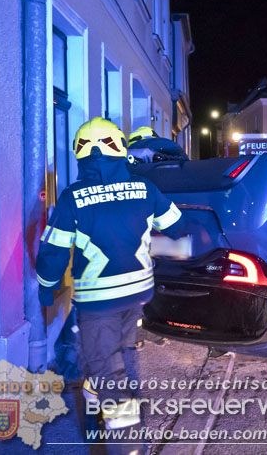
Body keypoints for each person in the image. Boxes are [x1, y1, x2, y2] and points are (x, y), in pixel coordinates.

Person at [36, 117, 184, 451]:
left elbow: (53, 253)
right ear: (120, 149)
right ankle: (92, 399)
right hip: (138, 295)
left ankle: (129, 446)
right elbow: (177, 229)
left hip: (98, 304)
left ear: (79, 154)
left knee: (110, 377)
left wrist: (46, 287)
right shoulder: (146, 189)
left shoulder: (73, 198)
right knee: (108, 356)